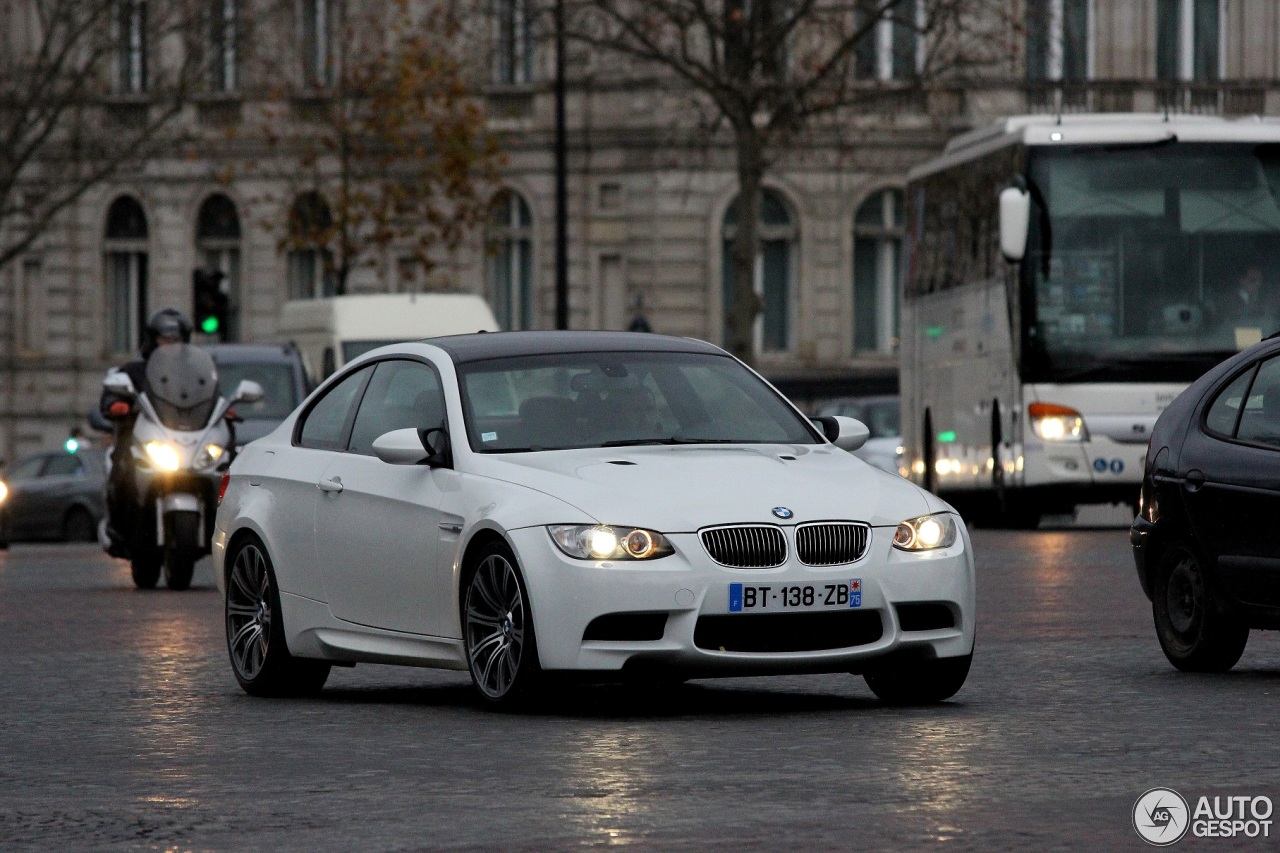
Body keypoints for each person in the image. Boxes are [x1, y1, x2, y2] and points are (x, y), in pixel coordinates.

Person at [99, 309, 193, 557]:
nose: (170, 345)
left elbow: (211, 394)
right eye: (165, 339)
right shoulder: (133, 371)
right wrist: (115, 404)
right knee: (124, 471)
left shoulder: (193, 373)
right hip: (142, 439)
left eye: (176, 339)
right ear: (153, 339)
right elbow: (112, 393)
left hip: (184, 438)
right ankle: (120, 529)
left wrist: (222, 408)